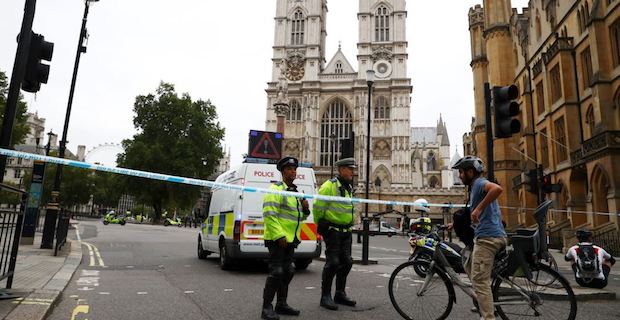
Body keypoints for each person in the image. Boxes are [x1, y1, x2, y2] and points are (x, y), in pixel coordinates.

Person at [451, 156, 506, 320]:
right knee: (467, 262)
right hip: (488, 236)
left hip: (488, 239)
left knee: (480, 281)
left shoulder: (480, 183)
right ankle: (484, 302)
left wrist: (478, 210)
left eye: (461, 172)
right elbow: (471, 214)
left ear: (470, 172)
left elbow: (497, 189)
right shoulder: (475, 187)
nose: (459, 176)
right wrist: (452, 224)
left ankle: (488, 317)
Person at [260, 156, 310, 320]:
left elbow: (298, 218)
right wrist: (279, 235)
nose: (293, 172)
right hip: (277, 239)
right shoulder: (275, 189)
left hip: (290, 239)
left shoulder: (295, 192)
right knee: (277, 272)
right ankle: (266, 307)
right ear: (282, 172)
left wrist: (305, 210)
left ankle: (281, 304)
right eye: (289, 169)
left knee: (288, 271)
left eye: (294, 169)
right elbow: (269, 214)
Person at [313, 157, 357, 311]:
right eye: (350, 169)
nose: (352, 171)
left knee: (347, 262)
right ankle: (325, 296)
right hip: (333, 231)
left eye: (353, 169)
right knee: (332, 263)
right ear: (341, 169)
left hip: (346, 231)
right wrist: (322, 224)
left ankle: (340, 293)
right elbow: (318, 206)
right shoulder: (329, 186)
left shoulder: (348, 187)